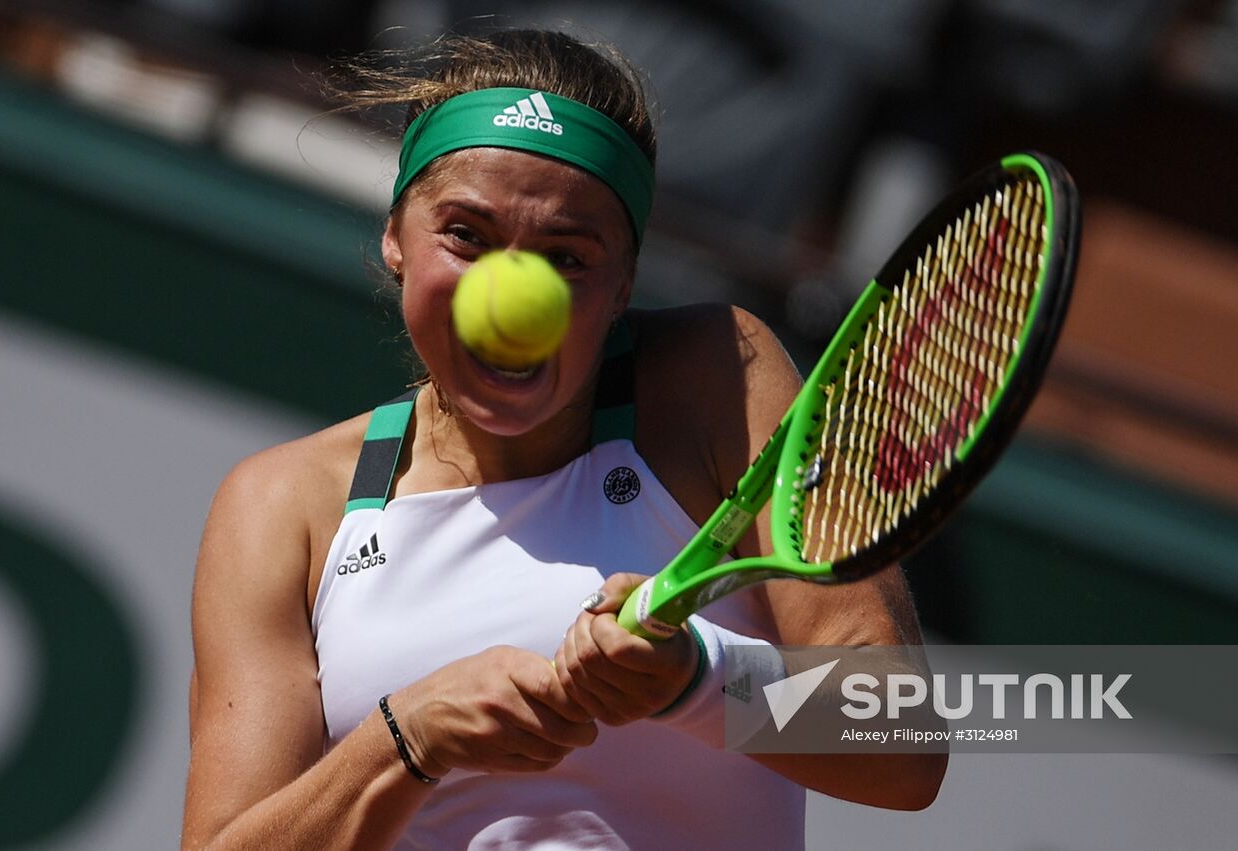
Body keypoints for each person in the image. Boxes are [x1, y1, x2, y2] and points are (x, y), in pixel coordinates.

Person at [182, 28, 946, 851]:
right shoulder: (281, 503)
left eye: (568, 256)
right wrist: (407, 737)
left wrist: (696, 679)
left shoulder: (720, 380)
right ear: (396, 235)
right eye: (466, 235)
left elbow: (902, 739)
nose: (512, 294)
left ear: (624, 283)